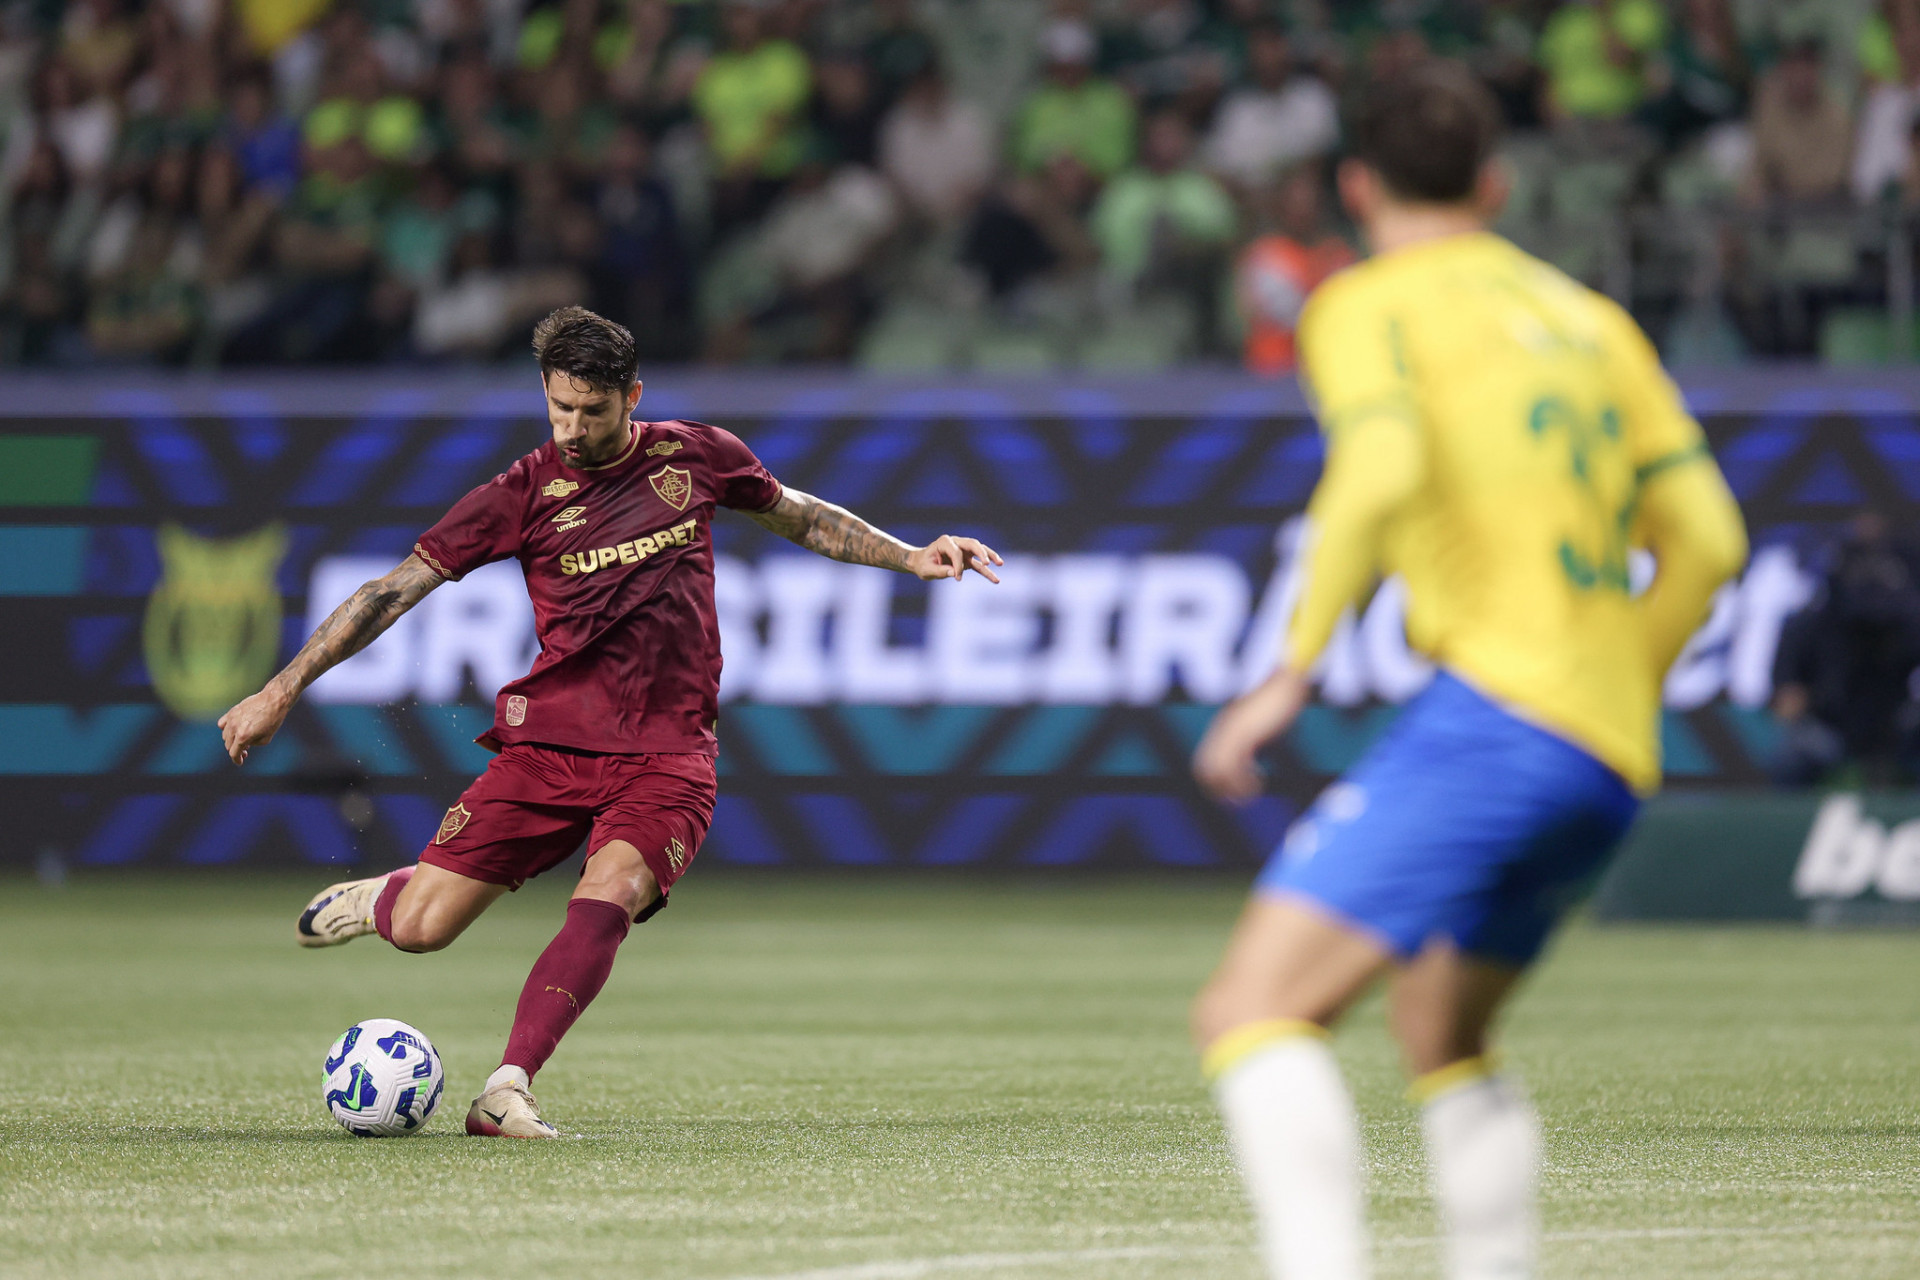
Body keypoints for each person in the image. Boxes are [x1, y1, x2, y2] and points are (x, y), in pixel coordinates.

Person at [1187, 62, 1748, 1280]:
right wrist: (1616, 679)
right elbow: (1711, 541)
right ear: (1494, 184)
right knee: (1438, 1025)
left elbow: (1380, 472)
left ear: (1355, 187)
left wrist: (1289, 670)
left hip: (1500, 716)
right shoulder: (1595, 321)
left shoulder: (1365, 304)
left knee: (1252, 1011)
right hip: (1607, 747)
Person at [217, 306, 1002, 1138]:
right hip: (549, 746)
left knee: (613, 891)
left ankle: (506, 1089)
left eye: (592, 410)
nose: (572, 428)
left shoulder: (697, 456)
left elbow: (799, 514)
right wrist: (281, 689)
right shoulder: (521, 493)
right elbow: (389, 593)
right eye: (559, 408)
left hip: (668, 754)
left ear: (633, 396)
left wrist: (910, 555)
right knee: (421, 930)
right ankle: (387, 897)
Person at [1770, 514, 1920, 786]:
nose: (1870, 579)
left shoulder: (1907, 620)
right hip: (1831, 727)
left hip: (1896, 728)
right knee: (1794, 753)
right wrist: (1796, 699)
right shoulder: (1811, 624)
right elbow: (1785, 697)